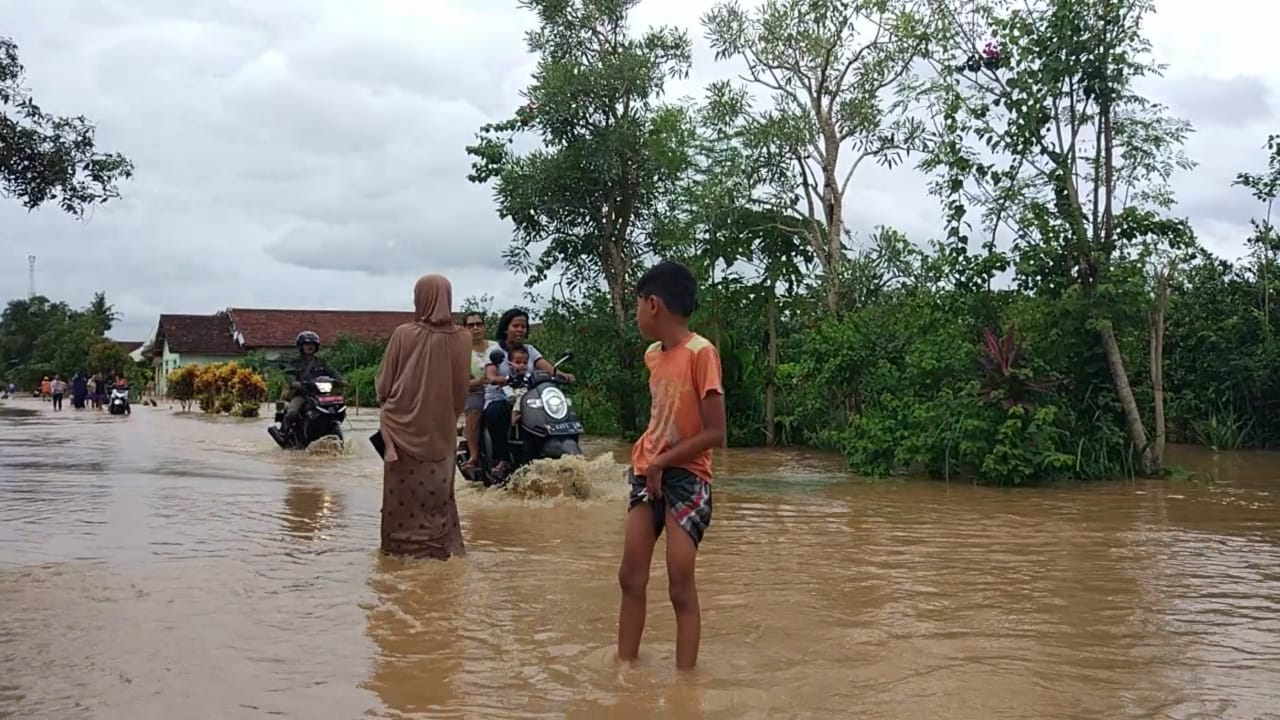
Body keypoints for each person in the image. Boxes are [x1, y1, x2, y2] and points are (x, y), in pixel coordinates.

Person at [616, 260, 725, 671]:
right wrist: (653, 461)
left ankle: (685, 684)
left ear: (654, 304)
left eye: (639, 302)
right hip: (648, 472)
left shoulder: (701, 353)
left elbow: (716, 432)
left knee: (680, 586)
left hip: (687, 477)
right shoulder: (651, 355)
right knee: (630, 577)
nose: (638, 311)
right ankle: (625, 669)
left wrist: (663, 460)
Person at [374, 274, 471, 559]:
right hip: (441, 433)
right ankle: (438, 554)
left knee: (401, 501)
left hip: (399, 430)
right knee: (438, 497)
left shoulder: (404, 333)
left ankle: (397, 556)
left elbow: (384, 384)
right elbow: (461, 392)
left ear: (420, 298)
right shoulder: (463, 339)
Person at [482, 308, 574, 479]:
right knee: (495, 413)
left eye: (523, 326)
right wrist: (498, 378)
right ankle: (502, 460)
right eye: (515, 325)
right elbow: (490, 374)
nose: (520, 330)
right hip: (501, 396)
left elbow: (547, 367)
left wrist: (563, 375)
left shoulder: (530, 350)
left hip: (529, 396)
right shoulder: (495, 351)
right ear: (505, 328)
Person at [277, 330, 342, 440]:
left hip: (320, 394)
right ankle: (283, 432)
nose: (310, 347)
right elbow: (289, 373)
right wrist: (294, 382)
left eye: (312, 344)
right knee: (292, 412)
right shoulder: (294, 362)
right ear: (301, 346)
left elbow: (332, 372)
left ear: (316, 346)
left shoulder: (321, 362)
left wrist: (340, 380)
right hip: (302, 394)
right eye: (307, 344)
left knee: (335, 408)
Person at [461, 312, 498, 475]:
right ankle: (474, 456)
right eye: (471, 325)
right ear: (465, 329)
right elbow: (459, 382)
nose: (475, 328)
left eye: (479, 324)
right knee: (474, 411)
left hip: (500, 390)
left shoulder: (496, 347)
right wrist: (481, 381)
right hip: (476, 392)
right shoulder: (460, 352)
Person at [502, 345, 532, 427]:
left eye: (525, 363)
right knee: (519, 396)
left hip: (527, 395)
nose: (522, 365)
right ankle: (515, 415)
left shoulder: (529, 376)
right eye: (518, 362)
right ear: (510, 364)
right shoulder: (510, 377)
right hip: (514, 395)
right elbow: (504, 384)